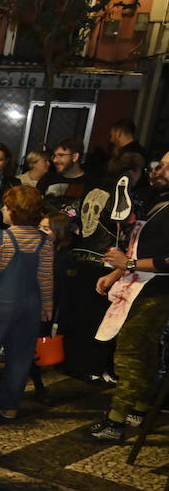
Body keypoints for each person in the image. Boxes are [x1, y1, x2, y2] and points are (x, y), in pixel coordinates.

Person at [88, 152, 169, 442]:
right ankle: (138, 408)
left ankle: (116, 421)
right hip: (138, 286)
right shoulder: (157, 201)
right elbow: (138, 250)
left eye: (165, 168)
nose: (157, 171)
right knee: (144, 353)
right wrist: (114, 274)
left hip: (157, 293)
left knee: (130, 353)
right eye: (158, 165)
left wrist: (128, 266)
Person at [0, 185, 53, 419]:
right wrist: (47, 306)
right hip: (30, 306)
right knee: (21, 356)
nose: (3, 209)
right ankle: (9, 405)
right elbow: (46, 277)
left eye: (7, 206)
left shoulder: (1, 239)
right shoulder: (44, 241)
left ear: (16, 212)